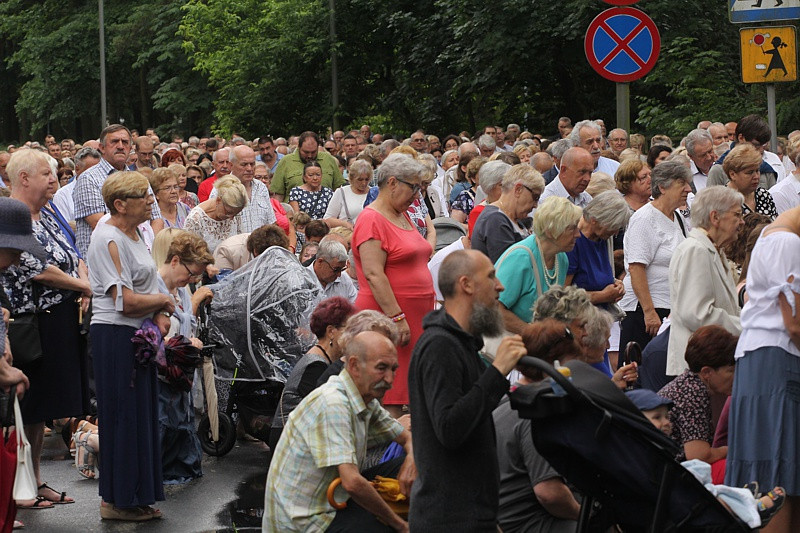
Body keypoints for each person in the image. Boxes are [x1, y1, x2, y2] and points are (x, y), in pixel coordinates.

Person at [408, 249, 528, 531]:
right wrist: (497, 372)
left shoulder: (461, 344)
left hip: (471, 516)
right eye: (491, 276)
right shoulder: (440, 346)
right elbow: (450, 428)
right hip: (449, 521)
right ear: (467, 284)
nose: (500, 286)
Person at [1, 150, 92, 510]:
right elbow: (37, 268)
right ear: (23, 178)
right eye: (45, 173)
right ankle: (15, 486)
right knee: (24, 406)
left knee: (41, 408)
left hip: (58, 317)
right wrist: (84, 287)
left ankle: (33, 481)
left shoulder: (50, 212)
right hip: (29, 322)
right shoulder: (12, 217)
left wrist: (82, 280)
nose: (53, 179)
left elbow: (74, 253)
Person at [263, 331, 415, 532]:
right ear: (354, 366)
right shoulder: (333, 403)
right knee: (386, 526)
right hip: (304, 522)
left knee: (415, 463)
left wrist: (412, 459)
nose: (389, 379)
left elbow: (407, 438)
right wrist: (400, 525)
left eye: (393, 369)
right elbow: (352, 483)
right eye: (381, 368)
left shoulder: (363, 397)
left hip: (332, 498)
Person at [87, 171, 175, 521]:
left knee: (141, 416)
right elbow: (122, 301)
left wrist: (160, 312)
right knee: (123, 418)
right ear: (120, 204)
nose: (151, 201)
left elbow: (151, 281)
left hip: (138, 334)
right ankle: (117, 501)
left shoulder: (137, 232)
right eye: (144, 196)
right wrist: (163, 304)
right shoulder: (107, 238)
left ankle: (136, 495)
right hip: (115, 335)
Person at [725, 205, 800, 532]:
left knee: (782, 471)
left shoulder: (776, 239)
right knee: (775, 474)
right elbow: (794, 324)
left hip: (771, 362)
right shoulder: (787, 242)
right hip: (775, 362)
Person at [628, 388, 785, 530]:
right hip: (672, 504)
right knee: (702, 490)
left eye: (667, 416)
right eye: (657, 417)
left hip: (674, 498)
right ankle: (746, 506)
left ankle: (742, 501)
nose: (667, 422)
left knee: (702, 482)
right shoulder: (637, 455)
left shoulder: (655, 449)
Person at [351, 153, 435, 414]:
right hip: (389, 319)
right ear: (392, 183)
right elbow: (374, 274)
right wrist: (396, 318)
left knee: (408, 393)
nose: (418, 195)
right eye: (414, 187)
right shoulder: (371, 219)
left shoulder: (402, 214)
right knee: (390, 395)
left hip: (413, 319)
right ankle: (386, 454)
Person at [494, 320, 584, 533]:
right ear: (551, 369)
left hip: (502, 518)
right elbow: (549, 494)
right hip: (528, 523)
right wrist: (585, 514)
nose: (575, 377)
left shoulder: (506, 401)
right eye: (571, 369)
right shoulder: (535, 414)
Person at [152, 229, 213, 484]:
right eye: (190, 273)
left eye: (196, 276)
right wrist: (185, 343)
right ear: (174, 261)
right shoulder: (153, 287)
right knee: (162, 426)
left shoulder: (182, 291)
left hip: (178, 375)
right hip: (159, 375)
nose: (192, 279)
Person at [666, 186, 743, 376]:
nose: (742, 222)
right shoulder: (696, 250)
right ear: (715, 217)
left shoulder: (713, 249)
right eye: (737, 215)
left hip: (713, 365)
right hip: (701, 370)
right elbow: (697, 314)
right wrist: (745, 325)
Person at [619, 161, 691, 352]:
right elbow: (636, 268)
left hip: (670, 309)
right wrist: (649, 312)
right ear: (662, 187)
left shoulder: (678, 217)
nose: (688, 189)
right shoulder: (644, 219)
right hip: (645, 312)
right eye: (682, 184)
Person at [269, 296, 355, 449]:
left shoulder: (322, 359)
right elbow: (324, 413)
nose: (353, 336)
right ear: (331, 331)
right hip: (290, 443)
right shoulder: (315, 366)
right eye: (349, 330)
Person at [73, 124, 163, 258]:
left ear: (131, 148)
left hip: (139, 260)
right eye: (114, 142)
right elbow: (99, 224)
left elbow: (156, 219)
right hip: (103, 263)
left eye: (125, 142)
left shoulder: (139, 179)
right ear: (102, 148)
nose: (120, 146)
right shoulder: (88, 179)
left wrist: (148, 251)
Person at [496, 196, 582, 334]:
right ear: (550, 231)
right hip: (506, 346)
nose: (578, 234)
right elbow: (494, 308)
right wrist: (533, 333)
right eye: (572, 229)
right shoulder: (520, 258)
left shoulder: (561, 258)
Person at [658, 325, 735, 466]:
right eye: (730, 371)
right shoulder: (693, 393)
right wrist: (733, 450)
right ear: (707, 372)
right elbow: (699, 456)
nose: (736, 376)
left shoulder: (688, 384)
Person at [565, 190, 630, 310]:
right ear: (594, 220)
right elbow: (563, 294)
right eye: (613, 226)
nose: (615, 233)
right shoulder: (572, 242)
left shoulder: (603, 239)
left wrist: (616, 283)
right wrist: (602, 296)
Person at [472, 164, 541, 263]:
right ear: (518, 190)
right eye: (535, 197)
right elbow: (511, 268)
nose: (535, 205)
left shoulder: (513, 218)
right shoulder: (495, 220)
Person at [270, 131, 344, 201]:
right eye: (306, 152)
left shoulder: (328, 159)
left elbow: (338, 190)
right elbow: (278, 196)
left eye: (313, 152)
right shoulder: (285, 161)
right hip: (294, 212)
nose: (310, 155)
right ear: (298, 147)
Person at [183, 175, 247, 252]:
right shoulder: (196, 219)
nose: (231, 218)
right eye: (228, 212)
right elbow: (190, 254)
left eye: (235, 214)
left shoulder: (234, 212)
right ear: (218, 201)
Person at [723, 143, 778, 219]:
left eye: (757, 171)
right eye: (750, 172)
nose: (756, 176)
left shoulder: (764, 195)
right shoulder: (723, 201)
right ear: (732, 174)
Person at [323, 159, 371, 228]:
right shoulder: (341, 192)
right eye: (360, 179)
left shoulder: (374, 192)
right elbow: (327, 219)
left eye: (366, 179)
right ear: (352, 178)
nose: (364, 183)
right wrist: (345, 224)